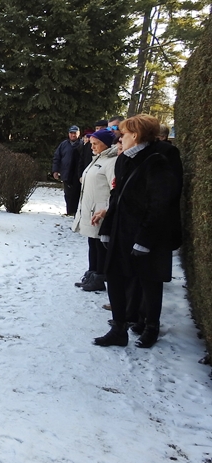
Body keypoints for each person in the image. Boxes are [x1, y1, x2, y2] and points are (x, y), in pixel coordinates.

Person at [93, 114, 183, 349]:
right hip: (121, 230)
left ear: (136, 135)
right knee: (114, 276)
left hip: (145, 233)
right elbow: (117, 197)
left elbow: (159, 203)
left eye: (123, 133)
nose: (120, 137)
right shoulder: (124, 160)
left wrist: (144, 239)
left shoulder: (156, 161)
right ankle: (118, 328)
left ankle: (151, 327)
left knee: (149, 281)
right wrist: (107, 227)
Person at [72, 128, 118, 292]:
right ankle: (92, 272)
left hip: (100, 212)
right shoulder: (97, 158)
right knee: (92, 243)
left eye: (95, 144)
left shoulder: (111, 162)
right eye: (91, 144)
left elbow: (115, 188)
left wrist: (106, 209)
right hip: (90, 209)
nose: (92, 147)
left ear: (105, 144)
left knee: (99, 245)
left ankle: (99, 275)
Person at [51, 125, 82, 215]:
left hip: (77, 174)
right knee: (67, 194)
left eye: (75, 133)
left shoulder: (82, 144)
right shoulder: (63, 144)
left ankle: (75, 212)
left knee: (77, 194)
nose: (73, 135)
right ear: (68, 134)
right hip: (66, 173)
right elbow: (57, 157)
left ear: (78, 134)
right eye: (71, 133)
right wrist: (55, 170)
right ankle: (69, 211)